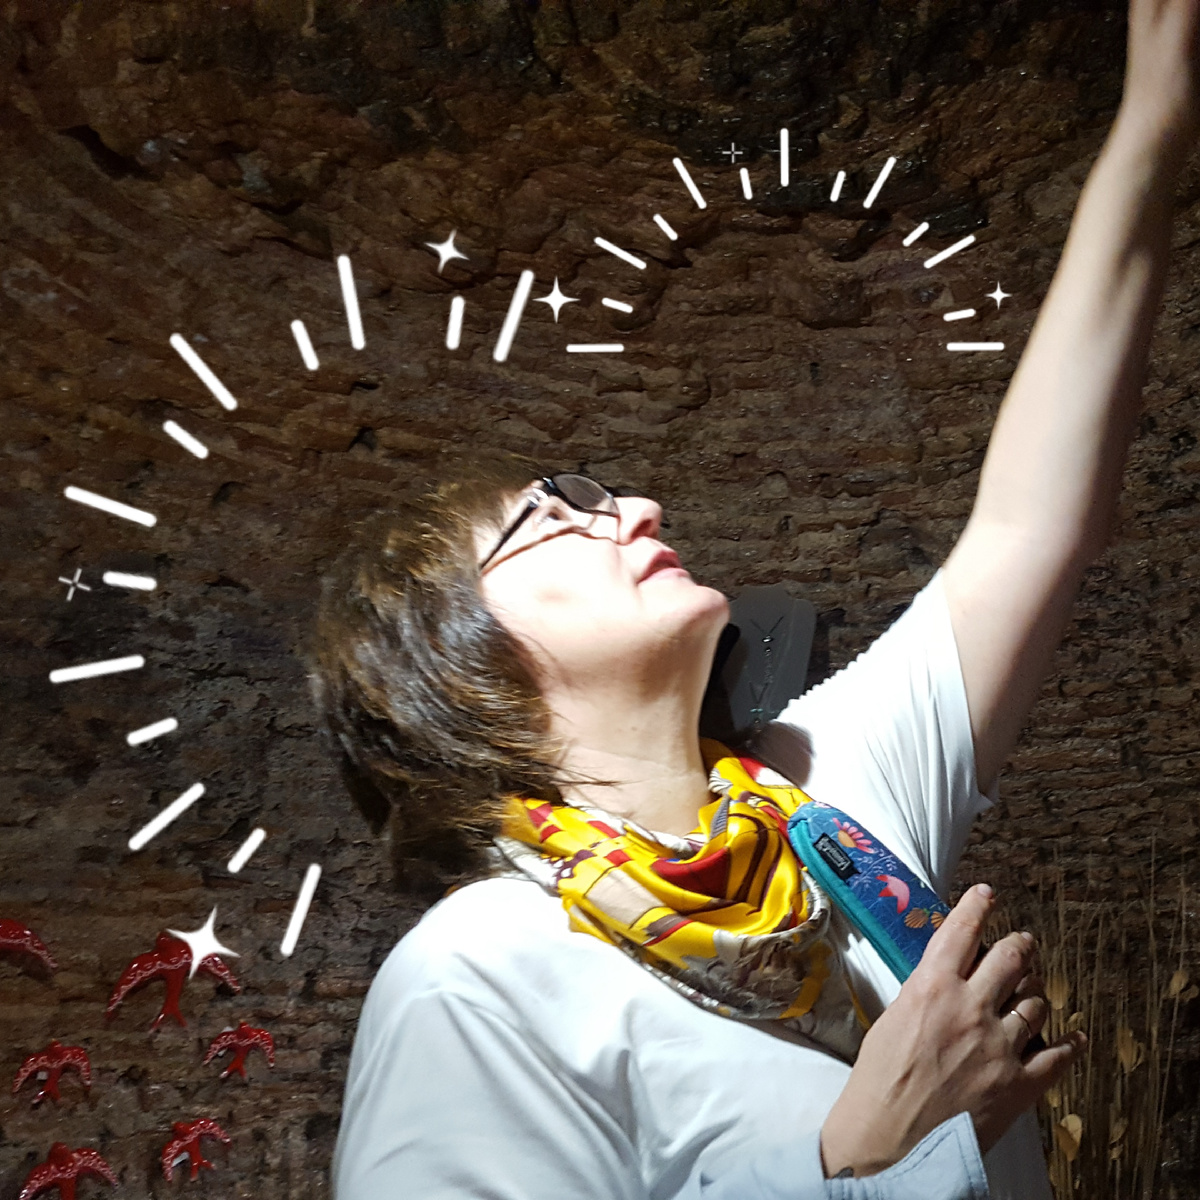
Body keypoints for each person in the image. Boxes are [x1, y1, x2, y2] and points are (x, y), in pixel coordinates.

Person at [313, 0, 1200, 1194]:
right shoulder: (474, 978)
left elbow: (1030, 526)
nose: (635, 509)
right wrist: (865, 1158)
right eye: (556, 519)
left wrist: (1154, 123)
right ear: (446, 662)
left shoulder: (824, 815)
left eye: (606, 494)